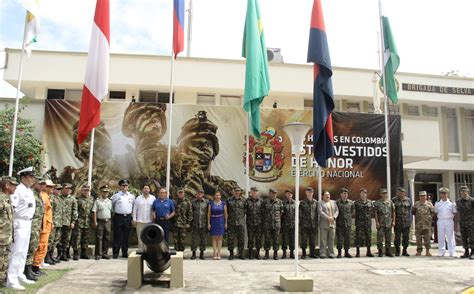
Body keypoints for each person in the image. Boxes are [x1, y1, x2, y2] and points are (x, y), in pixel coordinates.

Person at [6, 167, 36, 290]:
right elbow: (12, 207)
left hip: (28, 222)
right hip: (19, 222)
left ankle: (19, 274)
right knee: (17, 251)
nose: (32, 179)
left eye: (33, 177)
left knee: (23, 251)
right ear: (23, 177)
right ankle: (11, 280)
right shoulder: (18, 190)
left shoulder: (29, 191)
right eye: (30, 176)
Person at [24, 177, 45, 280]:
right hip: (31, 225)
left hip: (36, 226)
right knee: (30, 247)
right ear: (35, 184)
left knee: (33, 247)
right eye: (40, 184)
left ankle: (30, 269)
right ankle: (27, 270)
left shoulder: (39, 195)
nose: (42, 186)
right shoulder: (31, 194)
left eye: (43, 184)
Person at [32, 180, 54, 273]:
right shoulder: (43, 196)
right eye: (50, 187)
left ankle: (37, 265)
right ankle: (35, 266)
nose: (52, 189)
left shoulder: (46, 196)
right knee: (41, 246)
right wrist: (43, 225)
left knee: (43, 246)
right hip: (43, 225)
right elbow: (42, 212)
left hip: (47, 225)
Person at [0, 176, 18, 288]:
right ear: (7, 185)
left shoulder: (7, 198)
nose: (15, 187)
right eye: (13, 185)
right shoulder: (1, 199)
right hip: (1, 238)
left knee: (3, 263)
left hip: (6, 238)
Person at [111, 179, 135, 258]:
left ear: (128, 186)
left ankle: (125, 252)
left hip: (128, 217)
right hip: (118, 217)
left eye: (126, 185)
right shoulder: (116, 196)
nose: (125, 187)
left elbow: (133, 207)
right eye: (123, 185)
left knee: (126, 236)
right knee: (117, 235)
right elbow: (113, 205)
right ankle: (115, 253)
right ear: (120, 186)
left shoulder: (131, 196)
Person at [71, 185, 94, 260]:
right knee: (77, 238)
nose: (86, 192)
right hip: (79, 222)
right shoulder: (77, 199)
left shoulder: (91, 199)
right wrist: (74, 221)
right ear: (82, 191)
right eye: (85, 190)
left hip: (87, 222)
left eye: (88, 190)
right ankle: (76, 253)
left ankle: (84, 253)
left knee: (86, 238)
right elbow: (74, 210)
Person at [92, 185, 113, 260]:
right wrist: (94, 222)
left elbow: (112, 211)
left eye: (107, 192)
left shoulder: (110, 201)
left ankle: (105, 253)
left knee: (107, 238)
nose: (106, 193)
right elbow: (94, 212)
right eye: (104, 192)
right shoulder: (97, 201)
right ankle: (98, 254)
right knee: (99, 238)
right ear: (101, 192)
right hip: (100, 221)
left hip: (108, 221)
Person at [132, 184, 156, 250]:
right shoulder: (138, 198)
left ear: (149, 190)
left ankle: (148, 251)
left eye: (147, 188)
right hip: (140, 221)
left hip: (149, 221)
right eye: (145, 188)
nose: (146, 190)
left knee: (148, 237)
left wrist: (154, 216)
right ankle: (140, 250)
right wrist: (134, 218)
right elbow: (134, 209)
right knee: (140, 236)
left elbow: (155, 209)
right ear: (143, 190)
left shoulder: (153, 198)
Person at [435, 187, 457, 257]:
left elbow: (454, 212)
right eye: (442, 193)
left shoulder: (451, 203)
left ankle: (452, 251)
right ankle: (441, 251)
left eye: (445, 193)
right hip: (441, 220)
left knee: (450, 236)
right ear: (440, 194)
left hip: (449, 220)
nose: (444, 195)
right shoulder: (437, 203)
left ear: (447, 194)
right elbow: (436, 212)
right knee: (441, 236)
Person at [262, 188, 283, 260]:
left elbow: (281, 212)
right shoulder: (265, 202)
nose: (274, 194)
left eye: (275, 193)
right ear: (270, 194)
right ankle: (266, 254)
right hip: (267, 224)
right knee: (267, 240)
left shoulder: (279, 202)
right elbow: (262, 212)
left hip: (276, 224)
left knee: (276, 240)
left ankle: (275, 254)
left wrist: (276, 219)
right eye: (273, 193)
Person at [412, 191, 435, 256]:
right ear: (419, 197)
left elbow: (432, 213)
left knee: (427, 238)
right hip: (418, 224)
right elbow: (413, 212)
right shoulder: (416, 204)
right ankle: (419, 251)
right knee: (418, 239)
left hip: (427, 224)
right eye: (421, 196)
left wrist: (428, 219)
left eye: (424, 196)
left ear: (426, 197)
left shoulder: (429, 204)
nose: (423, 197)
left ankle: (427, 251)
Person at [46, 184, 63, 265]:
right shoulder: (52, 198)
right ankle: (47, 257)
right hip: (53, 223)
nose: (59, 191)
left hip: (59, 223)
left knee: (55, 241)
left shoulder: (59, 198)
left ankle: (51, 256)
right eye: (57, 189)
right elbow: (50, 211)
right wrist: (51, 222)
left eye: (60, 189)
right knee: (50, 240)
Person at [59, 183, 77, 261]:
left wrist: (73, 222)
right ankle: (59, 254)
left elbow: (75, 211)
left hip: (68, 222)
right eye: (66, 188)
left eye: (69, 189)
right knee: (58, 239)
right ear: (62, 189)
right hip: (59, 222)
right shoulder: (58, 198)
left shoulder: (73, 199)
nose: (68, 190)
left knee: (67, 239)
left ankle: (65, 254)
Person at [354, 188, 374, 257]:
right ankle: (358, 252)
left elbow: (372, 212)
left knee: (368, 237)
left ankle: (368, 251)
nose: (363, 194)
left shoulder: (370, 202)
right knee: (358, 237)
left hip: (367, 222)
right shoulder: (356, 203)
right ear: (360, 194)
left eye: (365, 193)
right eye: (362, 193)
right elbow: (354, 213)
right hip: (359, 223)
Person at [374, 188, 394, 257]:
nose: (384, 194)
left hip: (388, 223)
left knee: (388, 238)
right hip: (381, 223)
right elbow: (375, 213)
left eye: (385, 193)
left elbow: (393, 212)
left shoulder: (390, 202)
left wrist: (393, 221)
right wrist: (377, 222)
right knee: (380, 238)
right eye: (383, 193)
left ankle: (388, 251)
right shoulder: (377, 203)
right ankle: (380, 251)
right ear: (380, 194)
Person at [226, 187, 246, 260]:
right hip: (231, 222)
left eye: (238, 191)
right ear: (233, 192)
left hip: (240, 223)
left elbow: (246, 210)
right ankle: (231, 254)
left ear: (240, 192)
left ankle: (240, 254)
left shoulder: (244, 200)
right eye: (236, 191)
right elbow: (226, 211)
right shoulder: (229, 200)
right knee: (231, 239)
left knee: (241, 239)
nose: (237, 192)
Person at [299, 187, 319, 259]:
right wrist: (301, 223)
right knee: (304, 240)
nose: (310, 193)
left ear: (313, 193)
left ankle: (312, 253)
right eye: (308, 192)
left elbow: (317, 214)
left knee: (312, 241)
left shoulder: (316, 202)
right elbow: (300, 214)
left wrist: (316, 223)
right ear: (306, 193)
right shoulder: (302, 202)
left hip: (313, 225)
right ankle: (303, 254)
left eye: (311, 192)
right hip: (304, 225)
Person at [319, 191, 339, 259]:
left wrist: (333, 217)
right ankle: (323, 253)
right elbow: (320, 212)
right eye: (326, 195)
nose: (328, 196)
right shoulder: (320, 203)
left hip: (332, 224)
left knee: (331, 239)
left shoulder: (333, 202)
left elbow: (337, 211)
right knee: (323, 240)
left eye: (328, 195)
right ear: (323, 196)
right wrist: (328, 218)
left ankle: (331, 253)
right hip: (324, 224)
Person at [393, 187, 412, 257]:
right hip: (397, 222)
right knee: (397, 237)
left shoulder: (408, 200)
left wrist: (410, 220)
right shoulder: (394, 200)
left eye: (403, 192)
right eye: (400, 192)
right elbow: (393, 211)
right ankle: (397, 251)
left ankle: (405, 250)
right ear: (397, 192)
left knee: (406, 237)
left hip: (406, 222)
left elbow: (410, 210)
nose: (401, 193)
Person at [245, 187, 263, 259]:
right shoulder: (247, 201)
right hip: (250, 223)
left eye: (256, 191)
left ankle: (258, 253)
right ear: (251, 192)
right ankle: (250, 254)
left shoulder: (261, 201)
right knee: (251, 239)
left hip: (259, 223)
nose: (255, 193)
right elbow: (244, 211)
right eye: (253, 191)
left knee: (258, 239)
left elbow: (263, 212)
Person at [208, 191, 227, 260]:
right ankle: (214, 252)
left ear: (220, 196)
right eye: (216, 195)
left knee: (220, 237)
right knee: (214, 238)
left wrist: (226, 223)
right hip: (213, 220)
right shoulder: (211, 203)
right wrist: (208, 223)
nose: (218, 196)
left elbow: (225, 214)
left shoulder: (223, 203)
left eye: (219, 195)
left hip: (221, 221)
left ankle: (219, 253)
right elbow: (209, 214)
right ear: (214, 196)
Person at [456, 186, 474, 259]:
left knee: (472, 237)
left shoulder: (472, 200)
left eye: (464, 191)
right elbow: (458, 212)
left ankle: (473, 252)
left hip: (471, 222)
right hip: (462, 222)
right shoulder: (458, 201)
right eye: (462, 191)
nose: (463, 192)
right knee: (464, 237)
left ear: (468, 192)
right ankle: (466, 252)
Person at [336, 188, 354, 258]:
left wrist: (348, 217)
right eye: (344, 193)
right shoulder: (337, 202)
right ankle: (339, 253)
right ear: (341, 194)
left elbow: (352, 211)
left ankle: (347, 252)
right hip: (340, 223)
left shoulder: (350, 203)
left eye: (346, 193)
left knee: (347, 238)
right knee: (340, 238)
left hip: (348, 223)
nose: (345, 195)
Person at [191, 189, 209, 260]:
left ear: (203, 194)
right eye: (198, 193)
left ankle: (202, 253)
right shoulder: (192, 202)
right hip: (195, 223)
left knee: (203, 239)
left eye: (201, 193)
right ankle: (193, 254)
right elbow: (190, 212)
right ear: (196, 194)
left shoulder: (206, 202)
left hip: (203, 223)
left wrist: (208, 223)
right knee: (194, 239)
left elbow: (208, 213)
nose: (200, 195)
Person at [281, 189, 295, 259]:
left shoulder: (295, 203)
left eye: (291, 193)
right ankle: (284, 253)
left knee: (292, 239)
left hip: (293, 224)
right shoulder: (282, 203)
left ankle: (292, 253)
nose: (289, 195)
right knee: (284, 240)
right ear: (285, 194)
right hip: (285, 225)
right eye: (288, 193)